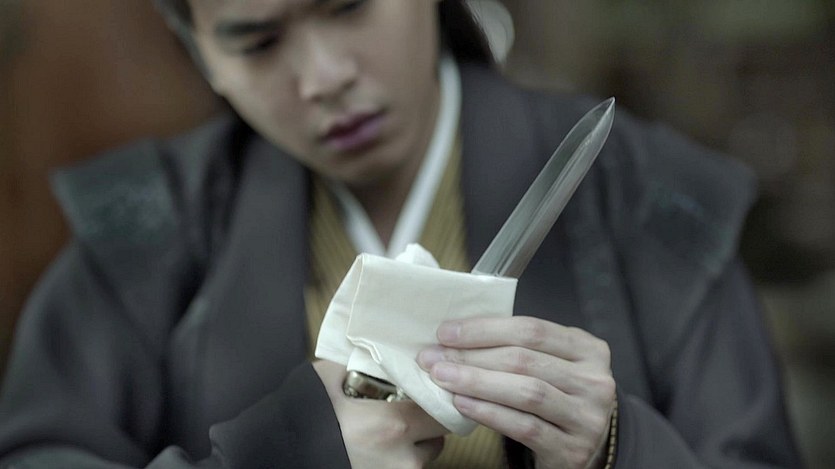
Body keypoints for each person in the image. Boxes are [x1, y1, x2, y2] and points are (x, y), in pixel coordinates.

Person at [0, 0, 802, 468]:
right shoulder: (148, 229)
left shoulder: (644, 196)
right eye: (258, 41)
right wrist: (287, 451)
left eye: (350, 5)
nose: (325, 77)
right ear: (199, 53)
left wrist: (615, 446)